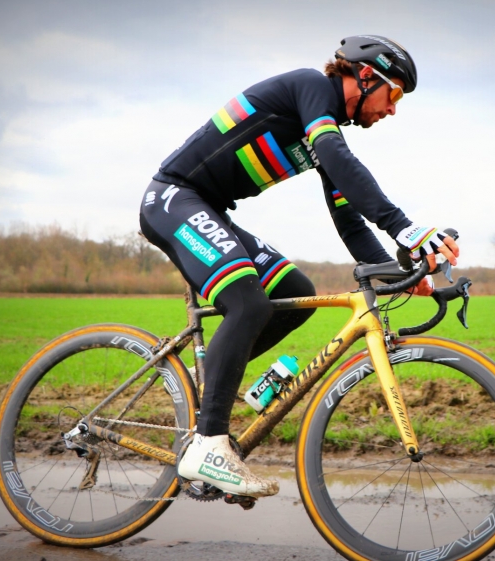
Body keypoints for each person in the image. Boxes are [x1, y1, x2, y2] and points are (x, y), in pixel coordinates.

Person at [139, 35, 459, 498]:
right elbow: (337, 158)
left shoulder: (322, 129)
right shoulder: (312, 89)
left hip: (209, 209)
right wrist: (406, 229)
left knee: (296, 293)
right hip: (174, 198)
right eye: (393, 95)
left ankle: (211, 394)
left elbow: (349, 220)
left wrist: (402, 273)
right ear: (365, 76)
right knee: (248, 303)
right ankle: (209, 445)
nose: (392, 110)